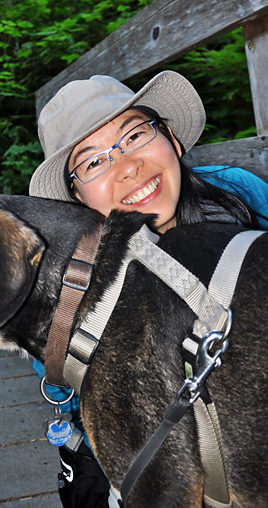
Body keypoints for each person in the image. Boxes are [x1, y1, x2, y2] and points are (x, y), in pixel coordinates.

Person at [28, 70, 268, 508]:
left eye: (135, 134)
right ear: (78, 198)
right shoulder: (76, 299)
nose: (127, 167)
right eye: (94, 161)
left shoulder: (242, 197)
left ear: (172, 140)